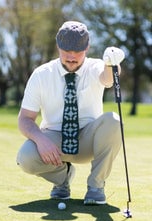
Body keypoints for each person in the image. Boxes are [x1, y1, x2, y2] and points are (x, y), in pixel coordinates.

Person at [17, 21, 125, 205]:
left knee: (114, 120)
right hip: (54, 143)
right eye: (67, 50)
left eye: (78, 51)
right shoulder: (41, 74)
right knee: (25, 157)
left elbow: (107, 79)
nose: (72, 56)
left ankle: (96, 186)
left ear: (87, 47)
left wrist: (111, 63)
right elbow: (25, 119)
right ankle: (63, 178)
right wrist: (40, 139)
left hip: (88, 141)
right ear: (58, 46)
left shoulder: (95, 66)